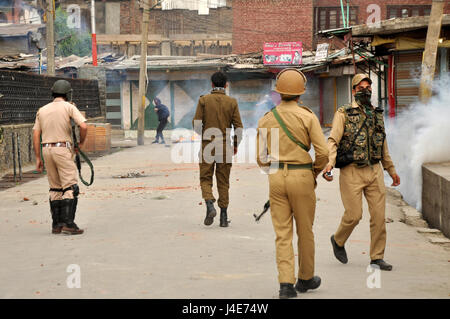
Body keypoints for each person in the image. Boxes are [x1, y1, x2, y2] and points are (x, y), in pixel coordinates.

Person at [256, 68, 328, 299]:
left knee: (282, 233)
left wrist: (275, 172)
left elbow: (261, 158)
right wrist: (313, 173)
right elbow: (323, 153)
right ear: (300, 93)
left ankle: (285, 284)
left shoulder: (266, 119)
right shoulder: (307, 117)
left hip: (277, 179)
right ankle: (305, 278)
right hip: (302, 176)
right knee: (305, 230)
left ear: (279, 92)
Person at [324, 73, 401, 271]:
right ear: (353, 90)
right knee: (354, 215)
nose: (365, 91)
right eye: (361, 88)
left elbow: (382, 144)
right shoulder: (344, 113)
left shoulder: (376, 114)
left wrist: (391, 170)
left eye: (368, 88)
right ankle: (338, 240)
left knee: (378, 217)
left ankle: (377, 257)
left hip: (374, 171)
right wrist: (329, 164)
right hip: (352, 172)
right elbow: (333, 141)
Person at [33, 79, 87, 235]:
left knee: (55, 187)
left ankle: (57, 225)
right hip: (62, 149)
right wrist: (81, 144)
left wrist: (38, 158)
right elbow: (83, 126)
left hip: (46, 150)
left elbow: (36, 134)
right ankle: (69, 224)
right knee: (70, 187)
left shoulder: (42, 110)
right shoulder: (69, 107)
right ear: (67, 93)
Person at [193, 71, 243, 227]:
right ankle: (223, 217)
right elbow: (239, 128)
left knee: (205, 179)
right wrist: (234, 145)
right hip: (225, 147)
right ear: (226, 85)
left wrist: (205, 136)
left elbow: (196, 125)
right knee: (223, 181)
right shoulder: (232, 102)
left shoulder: (204, 101)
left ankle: (209, 204)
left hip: (208, 145)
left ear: (212, 84)